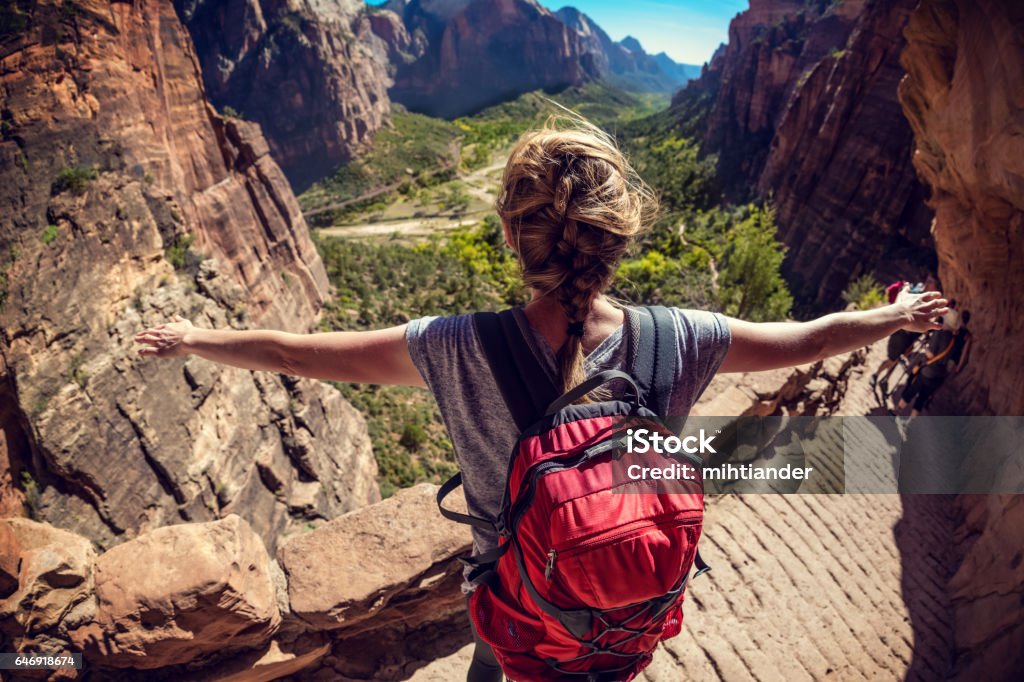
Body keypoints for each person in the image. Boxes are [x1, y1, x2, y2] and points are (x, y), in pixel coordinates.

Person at [133, 115, 948, 681]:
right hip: (633, 602)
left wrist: (195, 339)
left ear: (512, 236)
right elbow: (807, 339)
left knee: (505, 653)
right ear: (621, 235)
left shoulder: (453, 347)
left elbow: (292, 352)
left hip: (518, 598)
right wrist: (895, 315)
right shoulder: (682, 337)